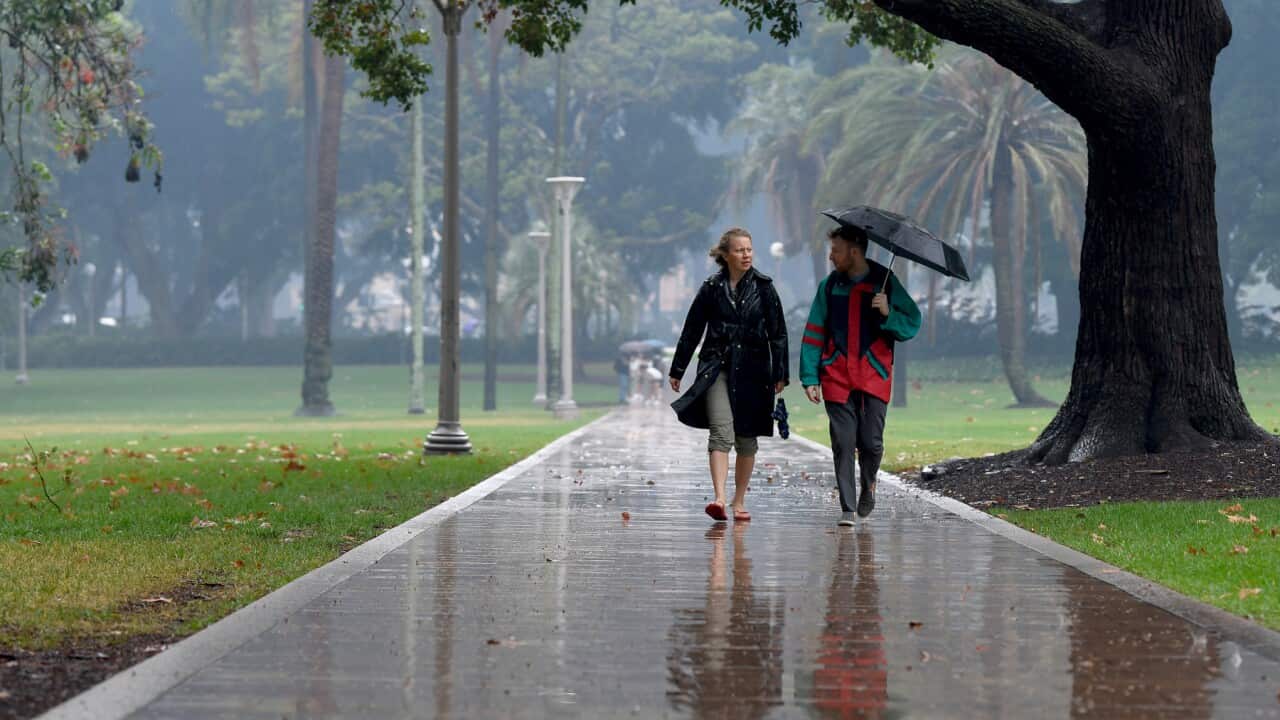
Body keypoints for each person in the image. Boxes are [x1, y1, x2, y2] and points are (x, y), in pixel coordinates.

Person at [800, 224, 920, 526]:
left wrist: (887, 312)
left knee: (871, 442)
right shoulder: (828, 287)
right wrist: (810, 377)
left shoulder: (885, 282)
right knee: (842, 440)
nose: (830, 257)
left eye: (836, 250)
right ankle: (847, 508)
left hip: (874, 375)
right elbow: (814, 332)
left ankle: (869, 484)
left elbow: (912, 322)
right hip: (836, 375)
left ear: (854, 251)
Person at [669, 227, 788, 522]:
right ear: (725, 255)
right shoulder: (711, 287)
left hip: (754, 370)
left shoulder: (764, 288)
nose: (746, 254)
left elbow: (778, 334)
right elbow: (692, 329)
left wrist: (780, 373)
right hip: (716, 367)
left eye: (749, 249)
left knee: (746, 438)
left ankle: (739, 500)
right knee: (721, 431)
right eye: (739, 250)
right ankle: (720, 498)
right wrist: (678, 369)